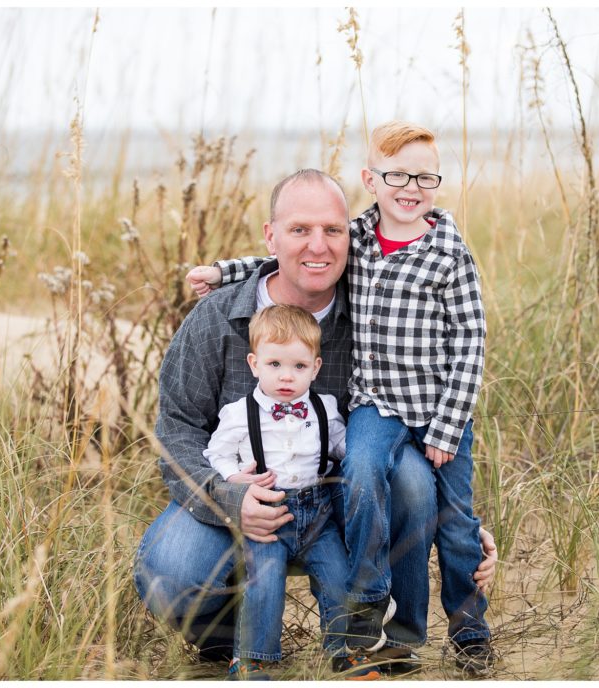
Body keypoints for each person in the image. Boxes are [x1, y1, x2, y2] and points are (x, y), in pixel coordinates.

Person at [136, 168, 496, 680]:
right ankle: (231, 640)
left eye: (332, 230)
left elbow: (431, 403)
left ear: (350, 236)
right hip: (243, 494)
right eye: (300, 230)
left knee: (414, 478)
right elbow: (177, 428)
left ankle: (382, 641)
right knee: (173, 572)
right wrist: (228, 495)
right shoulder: (218, 317)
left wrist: (463, 524)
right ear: (271, 236)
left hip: (342, 502)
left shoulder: (374, 309)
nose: (318, 247)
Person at [204, 304, 378, 679]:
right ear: (254, 364)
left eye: (299, 367)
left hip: (318, 514)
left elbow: (345, 450)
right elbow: (215, 453)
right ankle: (252, 658)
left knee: (336, 576)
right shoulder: (239, 413)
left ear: (316, 367)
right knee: (263, 583)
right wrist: (235, 478)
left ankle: (343, 648)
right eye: (275, 365)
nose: (286, 377)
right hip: (269, 512)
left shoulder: (324, 408)